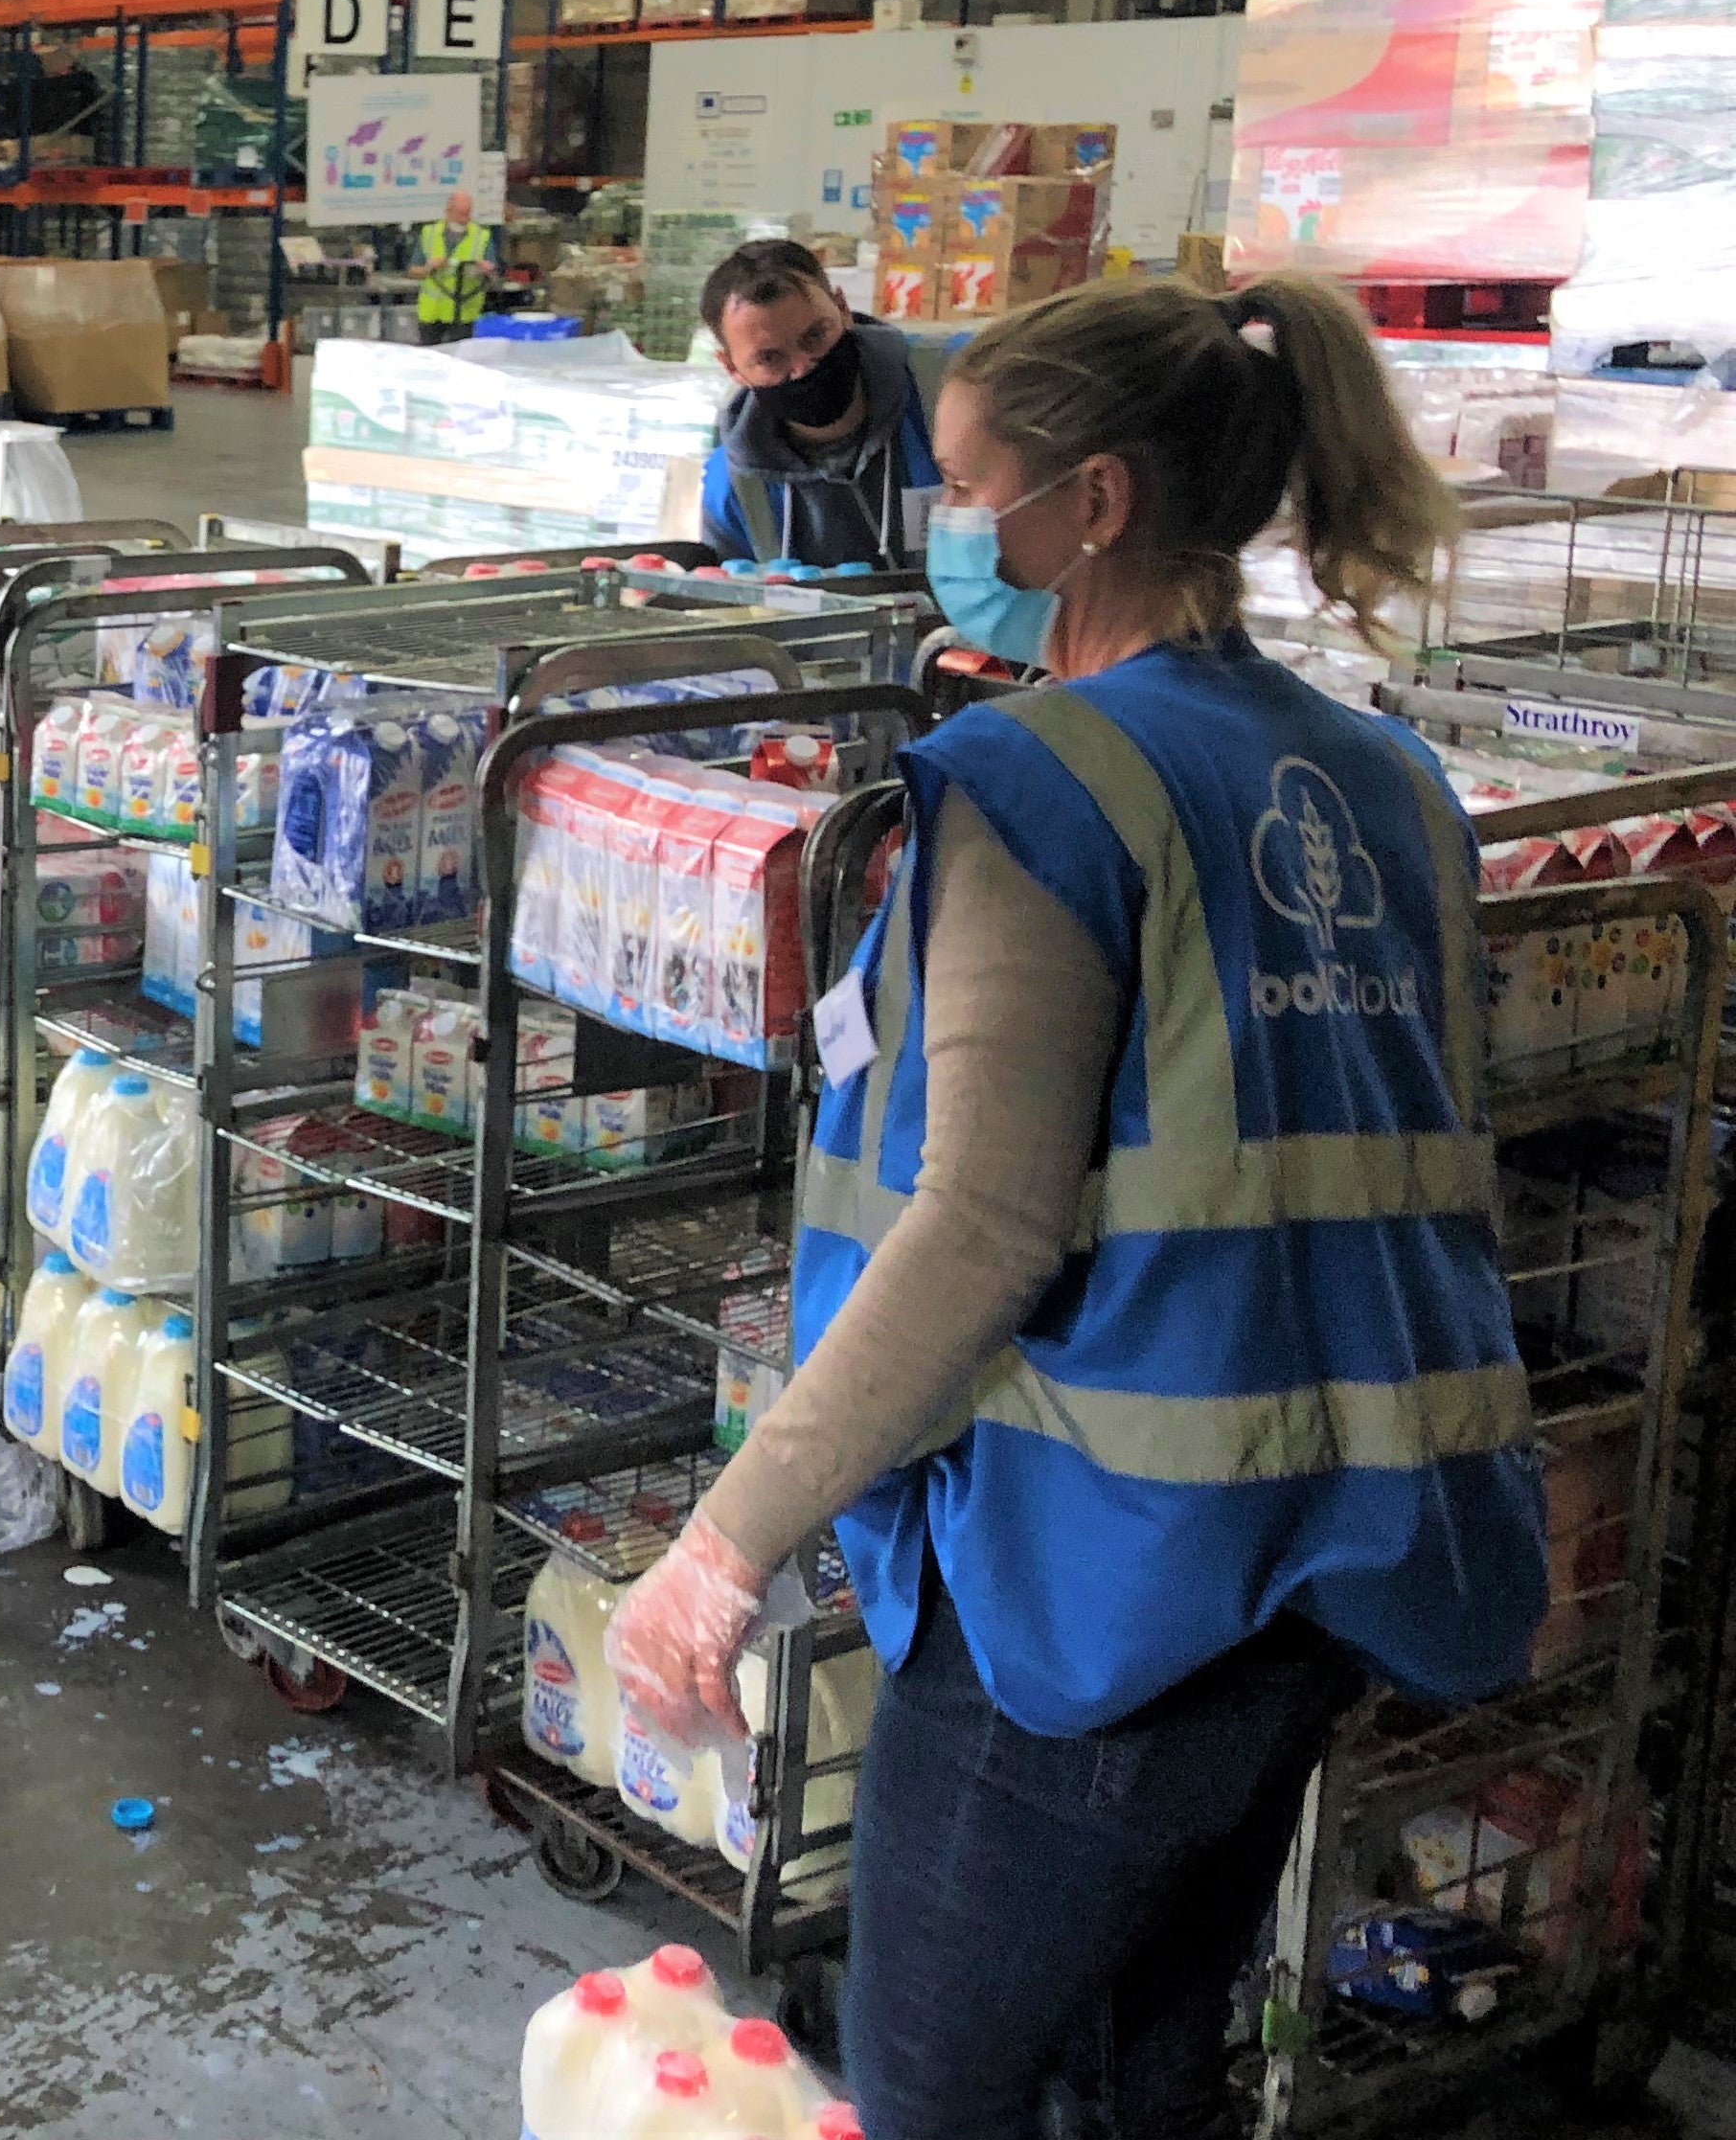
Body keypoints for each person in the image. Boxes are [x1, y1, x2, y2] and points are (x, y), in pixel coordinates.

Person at [605, 272, 1542, 2139]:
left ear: (1092, 502)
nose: (950, 531)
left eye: (970, 490)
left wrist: (721, 1546)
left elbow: (982, 1226)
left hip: (1098, 1591)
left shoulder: (1040, 783)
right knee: (1141, 2079)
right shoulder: (1388, 779)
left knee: (938, 2088)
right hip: (1324, 1561)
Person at [695, 236, 938, 567]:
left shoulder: (945, 392)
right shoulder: (736, 488)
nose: (802, 367)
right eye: (770, 358)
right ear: (731, 367)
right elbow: (731, 594)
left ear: (842, 309)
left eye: (815, 336)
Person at [410, 191, 495, 343]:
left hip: (465, 313)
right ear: (448, 212)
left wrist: (487, 270)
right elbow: (413, 271)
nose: (464, 219)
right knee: (430, 356)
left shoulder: (481, 236)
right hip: (432, 313)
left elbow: (493, 274)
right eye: (460, 214)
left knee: (461, 356)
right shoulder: (429, 233)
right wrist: (430, 267)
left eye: (467, 213)